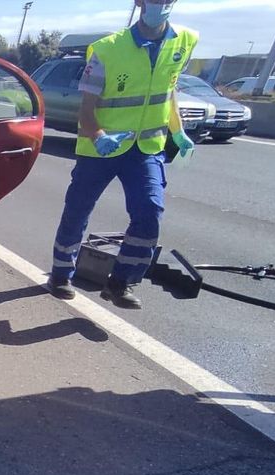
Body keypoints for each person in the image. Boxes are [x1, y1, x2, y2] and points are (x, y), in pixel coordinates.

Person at [47, 0, 198, 308]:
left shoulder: (185, 41)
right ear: (139, 2)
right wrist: (100, 136)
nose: (161, 5)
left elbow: (169, 90)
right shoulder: (107, 50)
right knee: (77, 210)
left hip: (145, 150)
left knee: (150, 212)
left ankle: (121, 282)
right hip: (99, 149)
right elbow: (86, 110)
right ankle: (61, 274)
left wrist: (178, 130)